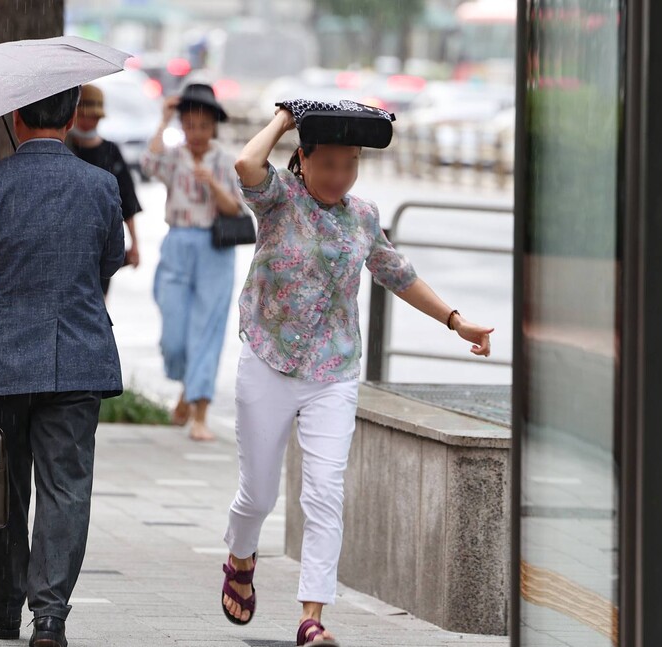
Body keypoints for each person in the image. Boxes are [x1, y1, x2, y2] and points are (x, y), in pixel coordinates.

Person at [220, 105, 494, 646]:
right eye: (329, 164)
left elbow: (398, 273)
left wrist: (456, 321)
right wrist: (282, 119)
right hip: (269, 359)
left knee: (325, 493)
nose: (340, 176)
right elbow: (245, 163)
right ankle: (239, 555)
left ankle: (312, 617)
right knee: (259, 496)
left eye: (351, 164)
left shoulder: (362, 216)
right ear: (303, 158)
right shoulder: (279, 201)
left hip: (333, 370)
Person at [0, 86, 125, 647]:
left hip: (4, 361)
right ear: (74, 116)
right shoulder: (101, 185)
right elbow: (110, 260)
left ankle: (3, 605)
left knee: (1, 484)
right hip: (79, 358)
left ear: (14, 116)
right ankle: (49, 617)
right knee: (66, 489)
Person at [141, 83, 243, 441]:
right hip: (178, 242)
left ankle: (200, 411)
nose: (196, 133)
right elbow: (148, 163)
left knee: (208, 328)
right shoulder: (174, 156)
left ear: (214, 126)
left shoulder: (225, 159)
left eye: (203, 125)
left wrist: (213, 184)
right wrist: (163, 117)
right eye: (189, 124)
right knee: (174, 334)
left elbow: (236, 209)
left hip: (215, 247)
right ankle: (187, 388)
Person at [67, 83, 142, 297]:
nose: (88, 121)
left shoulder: (111, 152)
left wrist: (135, 243)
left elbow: (127, 200)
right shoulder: (63, 149)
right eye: (84, 115)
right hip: (68, 239)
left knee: (98, 302)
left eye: (94, 117)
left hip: (102, 242)